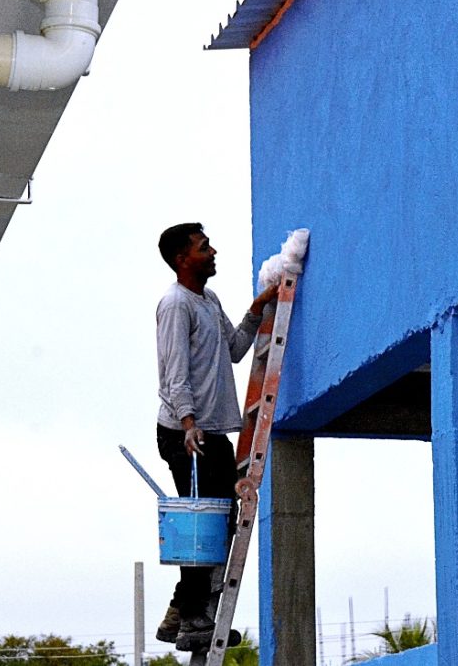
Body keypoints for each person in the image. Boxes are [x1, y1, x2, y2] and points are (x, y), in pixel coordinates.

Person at [153, 222, 278, 652]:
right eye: (203, 248)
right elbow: (173, 372)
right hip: (186, 433)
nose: (212, 252)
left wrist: (258, 308)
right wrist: (188, 424)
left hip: (209, 432)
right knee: (202, 526)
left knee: (215, 524)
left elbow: (235, 348)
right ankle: (192, 622)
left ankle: (178, 614)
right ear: (181, 259)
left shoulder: (208, 301)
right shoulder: (175, 305)